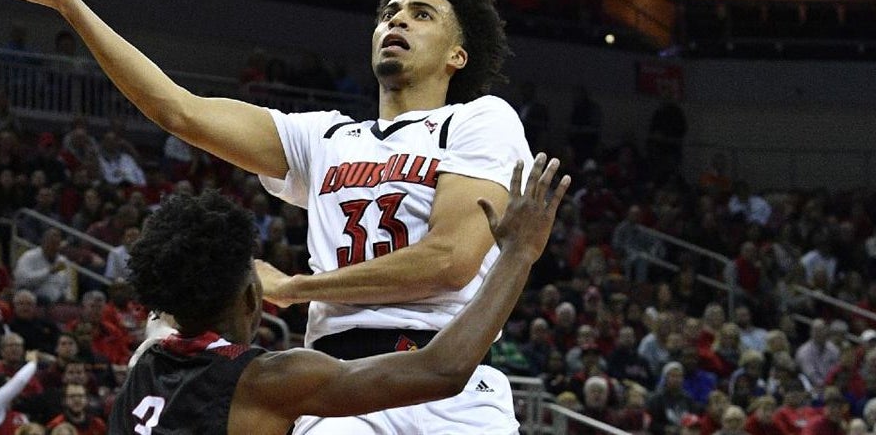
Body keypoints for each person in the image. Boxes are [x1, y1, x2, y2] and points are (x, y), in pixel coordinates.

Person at [0, 0, 534, 433]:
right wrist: (65, 3)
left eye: (421, 14)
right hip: (337, 386)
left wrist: (298, 288)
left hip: (453, 384)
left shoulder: (481, 119)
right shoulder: (323, 137)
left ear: (458, 55)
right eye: (389, 13)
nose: (397, 22)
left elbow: (449, 261)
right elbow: (179, 111)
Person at [109, 156, 567, 434]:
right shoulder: (267, 380)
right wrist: (517, 256)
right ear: (252, 299)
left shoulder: (142, 369)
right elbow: (441, 369)